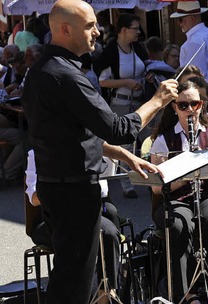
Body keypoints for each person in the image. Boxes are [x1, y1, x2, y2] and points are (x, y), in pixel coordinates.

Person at [21, 0, 178, 303]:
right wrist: (158, 100)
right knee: (74, 282)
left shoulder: (43, 70)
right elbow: (118, 128)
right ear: (66, 30)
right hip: (73, 191)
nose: (98, 31)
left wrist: (124, 155)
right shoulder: (64, 75)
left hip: (62, 186)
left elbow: (74, 135)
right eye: (90, 25)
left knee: (71, 276)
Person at [150, 80, 208, 304]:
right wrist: (184, 169)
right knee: (178, 224)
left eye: (194, 105)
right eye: (183, 105)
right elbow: (156, 188)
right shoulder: (162, 140)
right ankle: (186, 294)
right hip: (176, 198)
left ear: (202, 105)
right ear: (174, 107)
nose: (189, 110)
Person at [25, 150, 122, 304]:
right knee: (81, 239)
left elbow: (103, 189)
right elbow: (34, 199)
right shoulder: (37, 152)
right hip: (52, 218)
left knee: (108, 231)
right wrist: (57, 184)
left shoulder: (88, 148)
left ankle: (106, 293)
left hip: (86, 212)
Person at [94, 13, 149, 199]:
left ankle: (150, 180)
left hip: (140, 102)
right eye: (135, 28)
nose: (138, 32)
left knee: (147, 141)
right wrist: (125, 82)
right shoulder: (110, 52)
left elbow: (146, 66)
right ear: (123, 30)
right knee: (125, 144)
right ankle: (127, 185)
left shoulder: (139, 49)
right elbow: (102, 81)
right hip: (120, 103)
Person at [170, 1, 208, 98]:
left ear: (192, 18)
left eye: (181, 19)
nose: (179, 23)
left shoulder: (193, 41)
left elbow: (193, 75)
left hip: (200, 91)